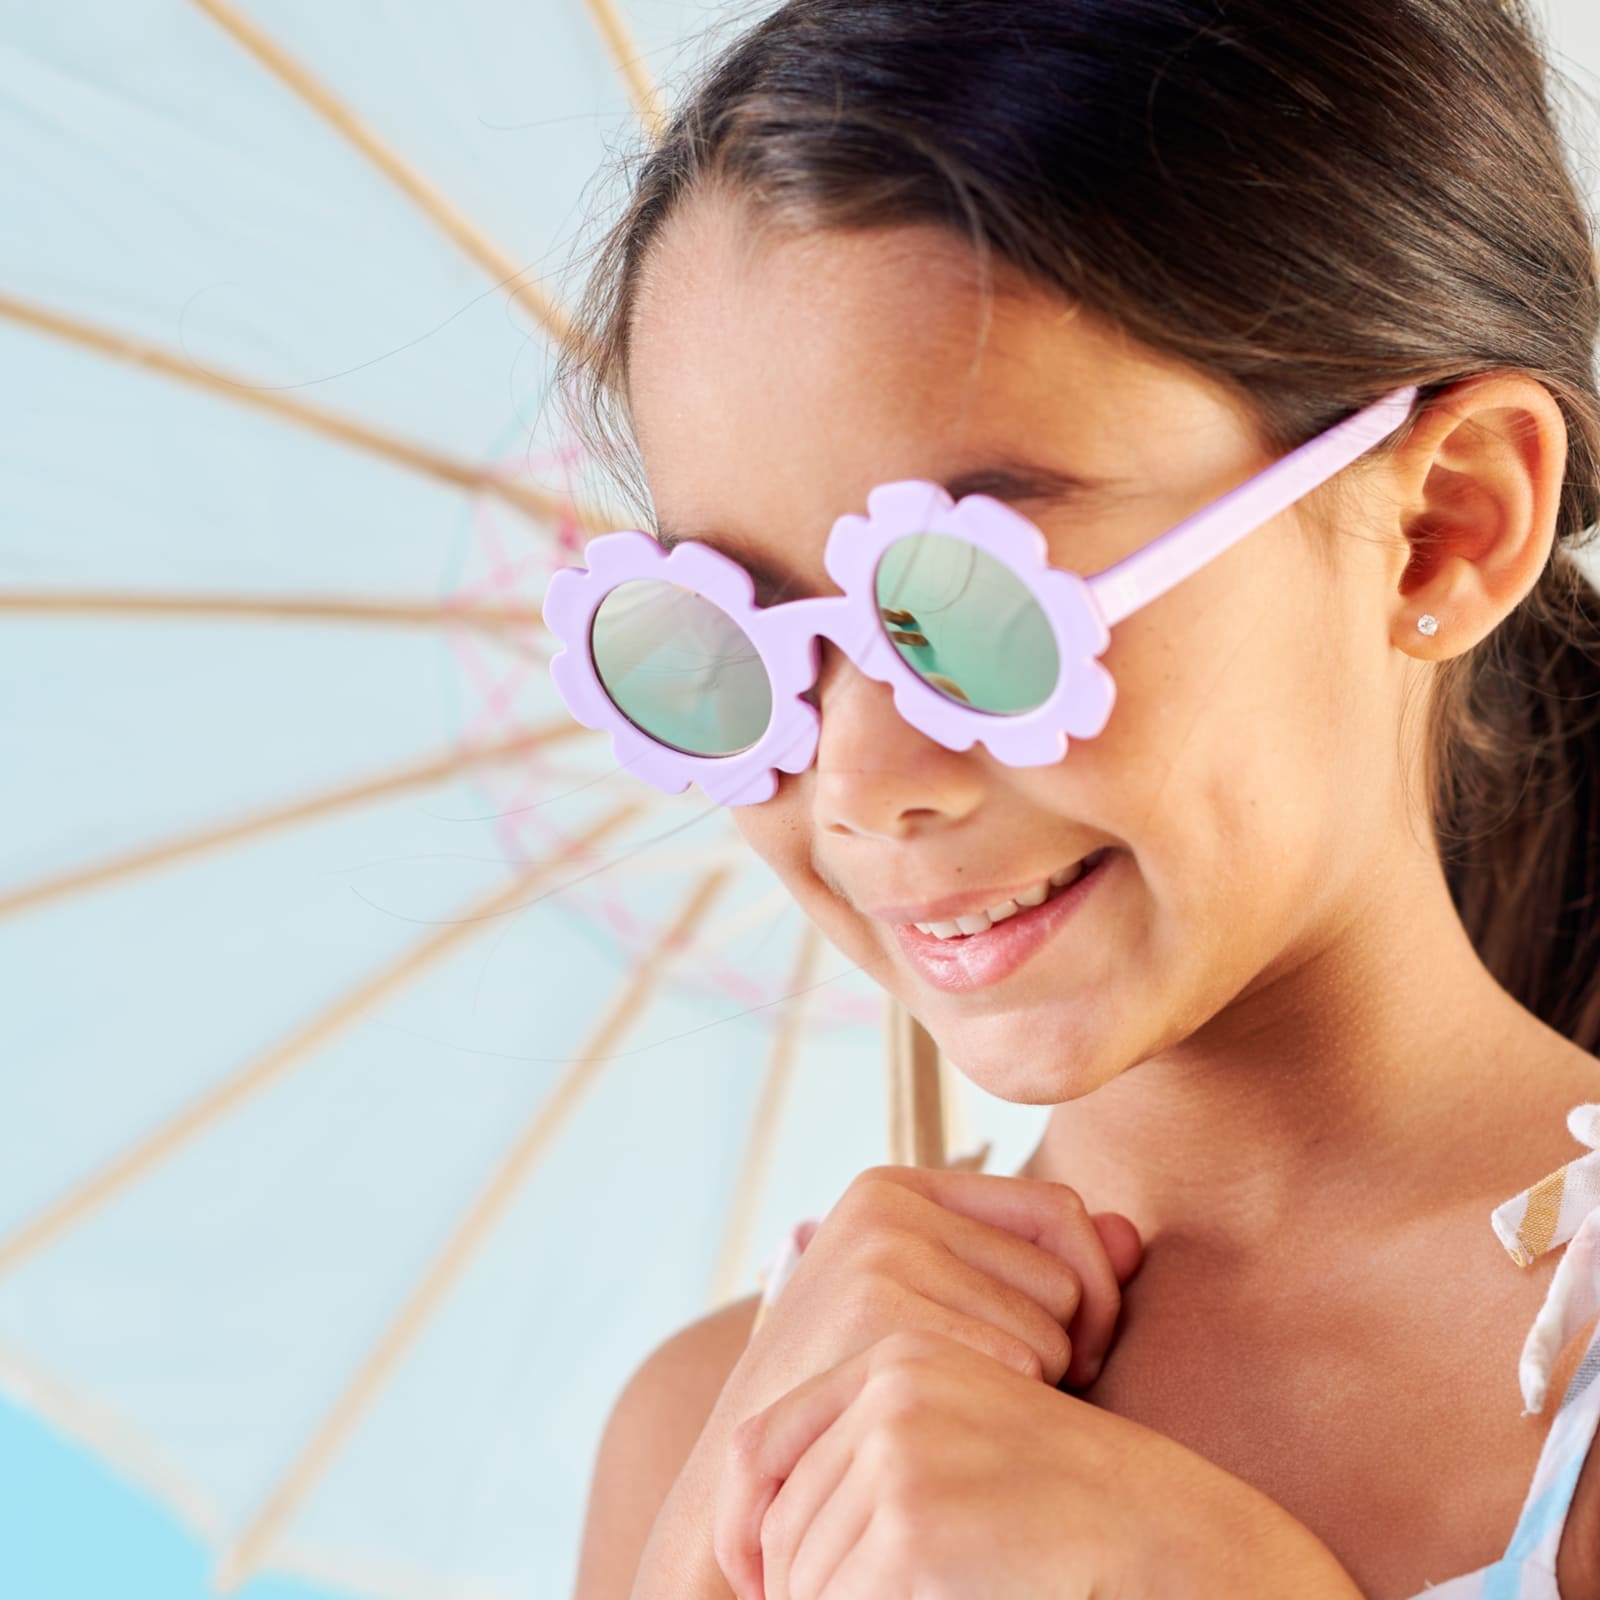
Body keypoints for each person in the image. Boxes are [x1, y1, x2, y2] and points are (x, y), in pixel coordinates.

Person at [559, 1, 1600, 1595]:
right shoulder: (717, 1436)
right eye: (729, 634)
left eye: (972, 599)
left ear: (1445, 526)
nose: (861, 784)